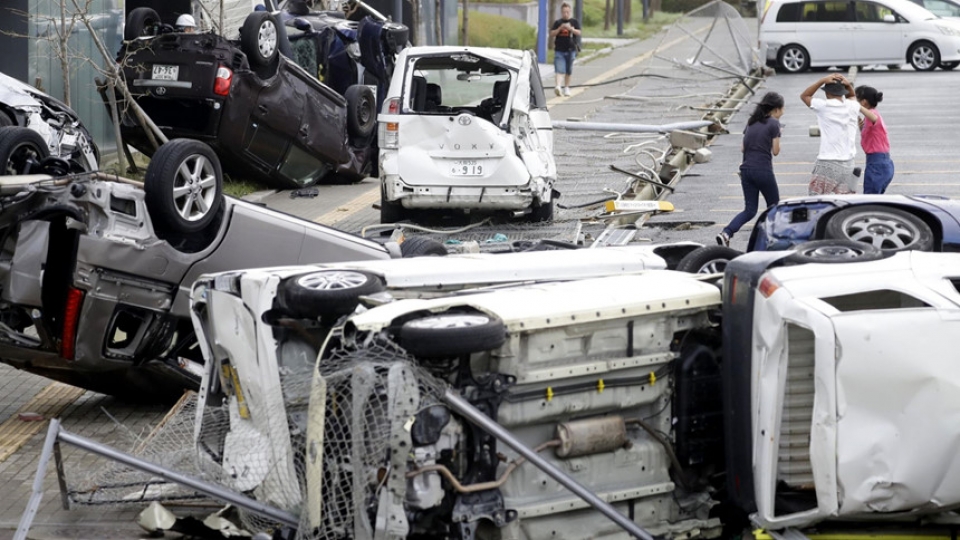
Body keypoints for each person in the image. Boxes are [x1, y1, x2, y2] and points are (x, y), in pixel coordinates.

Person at [716, 92, 785, 247]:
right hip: (763, 170)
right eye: (782, 109)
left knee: (749, 210)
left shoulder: (751, 122)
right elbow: (775, 151)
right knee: (774, 207)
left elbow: (743, 148)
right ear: (775, 110)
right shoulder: (774, 124)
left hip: (746, 170)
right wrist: (778, 136)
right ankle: (773, 239)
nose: (783, 112)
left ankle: (726, 233)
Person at [800, 74, 876, 195]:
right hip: (849, 164)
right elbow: (851, 95)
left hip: (827, 162)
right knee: (844, 203)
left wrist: (822, 80)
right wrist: (847, 84)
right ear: (842, 92)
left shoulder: (823, 106)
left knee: (816, 201)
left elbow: (805, 96)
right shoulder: (853, 105)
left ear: (827, 93)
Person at [855, 85, 893, 194]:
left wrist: (856, 106)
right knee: (875, 199)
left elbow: (873, 118)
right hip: (879, 162)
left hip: (877, 164)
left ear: (864, 102)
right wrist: (861, 127)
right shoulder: (868, 117)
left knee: (869, 200)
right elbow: (870, 136)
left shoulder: (873, 114)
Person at [549, 2, 581, 97]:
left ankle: (567, 87)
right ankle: (558, 86)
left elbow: (579, 32)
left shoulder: (574, 22)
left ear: (570, 12)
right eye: (564, 12)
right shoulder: (558, 23)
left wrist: (571, 29)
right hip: (559, 49)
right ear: (561, 12)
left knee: (568, 70)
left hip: (571, 49)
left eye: (567, 12)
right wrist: (559, 29)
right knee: (560, 69)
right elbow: (552, 33)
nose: (565, 14)